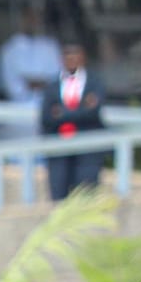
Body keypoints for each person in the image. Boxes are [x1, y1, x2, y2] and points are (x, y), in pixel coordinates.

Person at [42, 42, 106, 200]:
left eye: (75, 57)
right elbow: (46, 117)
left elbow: (93, 113)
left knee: (86, 196)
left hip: (87, 150)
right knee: (58, 197)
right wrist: (81, 109)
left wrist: (62, 113)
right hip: (59, 150)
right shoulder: (52, 87)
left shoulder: (94, 83)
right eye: (68, 57)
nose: (71, 61)